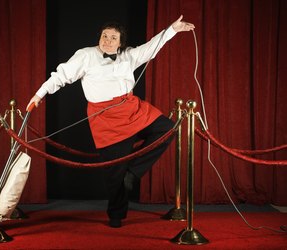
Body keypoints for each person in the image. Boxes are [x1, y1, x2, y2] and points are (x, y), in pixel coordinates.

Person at [27, 15, 195, 228]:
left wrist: (172, 29)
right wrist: (38, 95)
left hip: (132, 110)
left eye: (113, 37)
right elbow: (61, 76)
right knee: (115, 174)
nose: (107, 40)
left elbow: (153, 46)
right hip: (105, 119)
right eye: (104, 36)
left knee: (167, 129)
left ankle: (133, 173)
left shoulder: (129, 56)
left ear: (120, 42)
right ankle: (116, 214)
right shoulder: (85, 55)